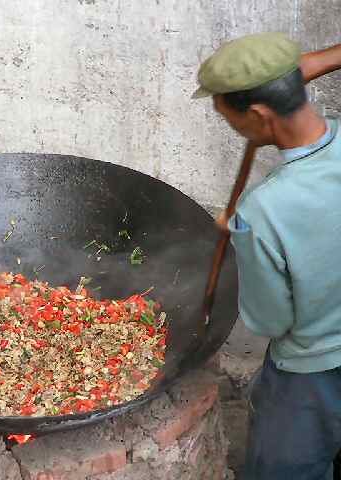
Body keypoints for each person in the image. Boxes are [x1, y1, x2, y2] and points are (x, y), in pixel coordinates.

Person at [193, 33, 341, 480]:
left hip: (313, 372)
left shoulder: (261, 212)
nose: (234, 130)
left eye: (231, 121)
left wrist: (240, 235)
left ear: (259, 115)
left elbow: (271, 322)